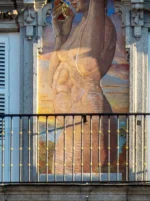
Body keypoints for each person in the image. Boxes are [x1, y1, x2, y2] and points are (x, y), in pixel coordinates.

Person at [48, 0, 118, 174]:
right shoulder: (79, 28)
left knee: (84, 177)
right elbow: (51, 77)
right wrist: (61, 36)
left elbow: (87, 65)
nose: (71, 0)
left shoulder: (102, 25)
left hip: (87, 112)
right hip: (72, 119)